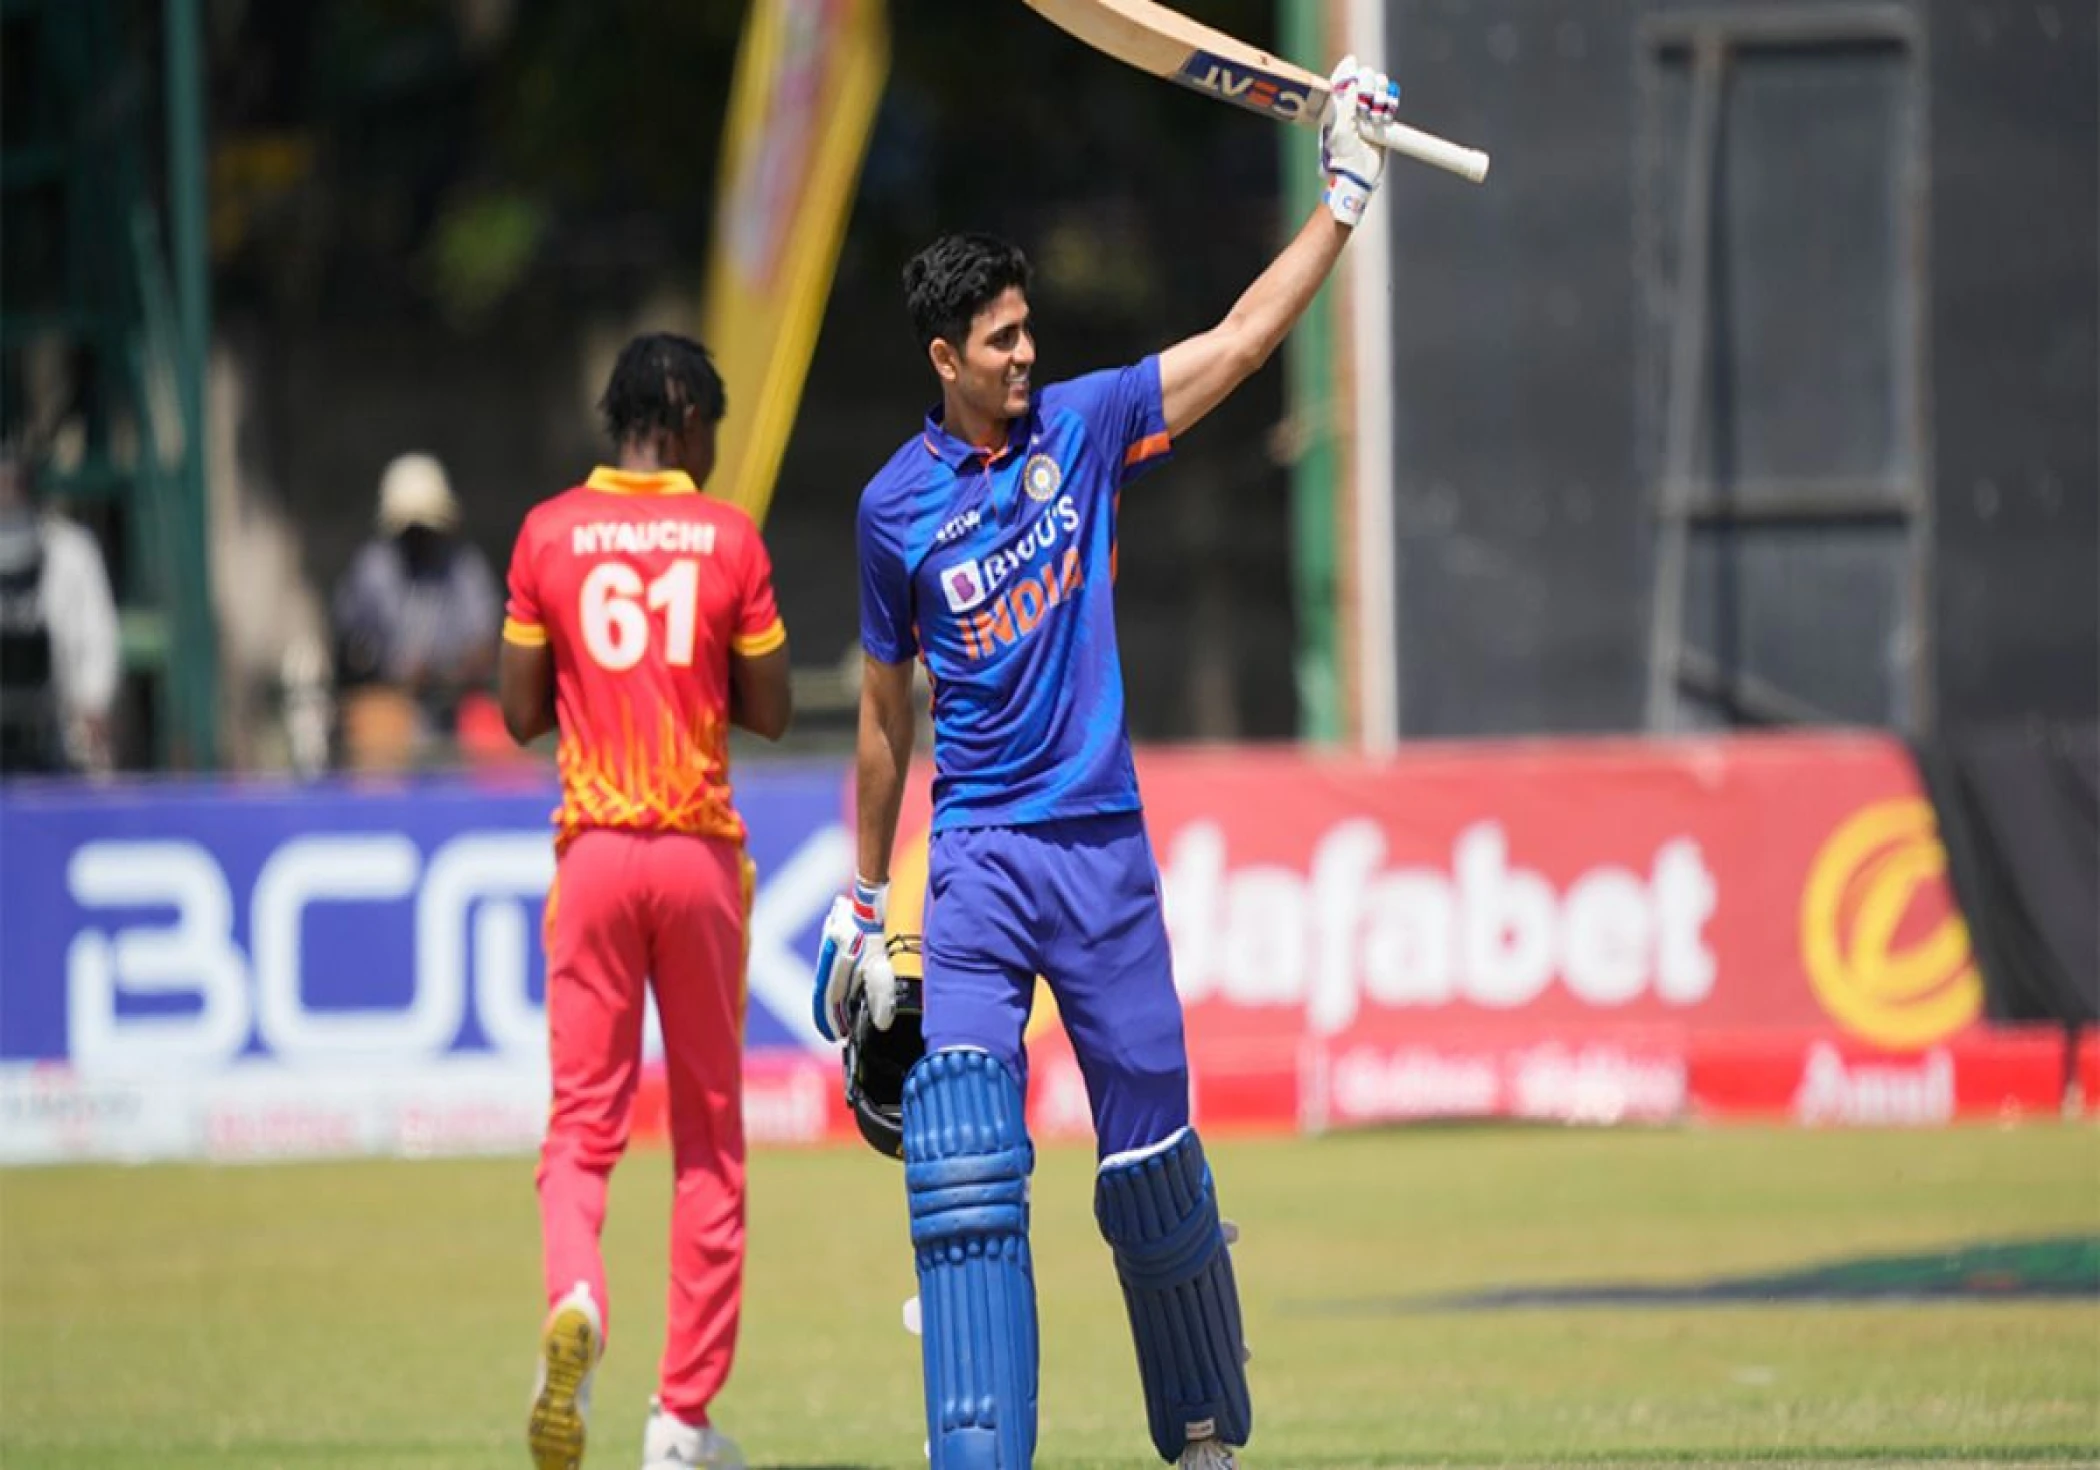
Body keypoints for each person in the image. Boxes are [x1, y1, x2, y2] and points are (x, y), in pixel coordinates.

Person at [813, 58, 1401, 1470]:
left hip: (1100, 854)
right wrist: (858, 899)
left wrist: (1344, 194)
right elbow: (885, 719)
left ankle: (1201, 1432)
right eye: (1001, 340)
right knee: (960, 1162)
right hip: (976, 866)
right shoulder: (893, 510)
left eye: (1030, 331)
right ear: (943, 355)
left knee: (1150, 1167)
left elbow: (1244, 341)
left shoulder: (1081, 428)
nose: (1027, 354)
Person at [499, 332, 792, 1470]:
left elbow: (523, 710)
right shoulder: (725, 537)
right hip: (697, 859)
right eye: (709, 433)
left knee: (581, 1129)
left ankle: (577, 1299)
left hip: (597, 859)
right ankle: (679, 1422)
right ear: (684, 422)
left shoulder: (547, 533)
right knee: (710, 1143)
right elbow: (768, 707)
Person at [333, 451, 501, 768]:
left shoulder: (464, 567)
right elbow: (351, 649)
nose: (419, 538)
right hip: (389, 702)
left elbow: (485, 644)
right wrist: (392, 673)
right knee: (375, 723)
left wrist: (444, 674)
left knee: (493, 732)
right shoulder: (372, 570)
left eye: (426, 528)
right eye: (410, 529)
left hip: (455, 704)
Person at [0, 446, 120, 776]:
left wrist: (93, 699)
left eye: (12, 484)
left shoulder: (70, 550)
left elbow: (97, 632)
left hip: (55, 726)